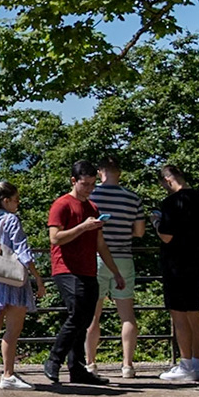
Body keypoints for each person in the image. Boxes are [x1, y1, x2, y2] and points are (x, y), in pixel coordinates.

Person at [44, 160, 123, 385]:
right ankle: (54, 359)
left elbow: (100, 244)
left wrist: (115, 272)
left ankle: (76, 367)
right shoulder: (62, 205)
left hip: (88, 270)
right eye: (85, 184)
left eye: (92, 185)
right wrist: (82, 227)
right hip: (66, 269)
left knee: (85, 318)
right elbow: (55, 238)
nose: (89, 189)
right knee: (77, 313)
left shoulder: (92, 208)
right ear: (73, 181)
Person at [0, 179, 44, 390]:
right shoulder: (11, 220)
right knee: (12, 330)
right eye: (15, 200)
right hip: (12, 280)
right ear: (6, 200)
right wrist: (37, 277)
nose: (18, 203)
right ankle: (7, 374)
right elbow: (22, 251)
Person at [155, 164, 199, 383]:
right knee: (194, 312)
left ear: (168, 180)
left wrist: (156, 221)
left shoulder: (171, 203)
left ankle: (185, 364)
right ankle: (197, 364)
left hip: (176, 264)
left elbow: (166, 236)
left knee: (179, 315)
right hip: (198, 262)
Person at [87, 156, 145, 377]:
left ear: (101, 171)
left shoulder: (91, 196)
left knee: (93, 314)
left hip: (97, 258)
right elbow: (139, 232)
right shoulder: (132, 198)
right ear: (119, 172)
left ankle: (91, 363)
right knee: (127, 315)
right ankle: (127, 365)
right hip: (123, 258)